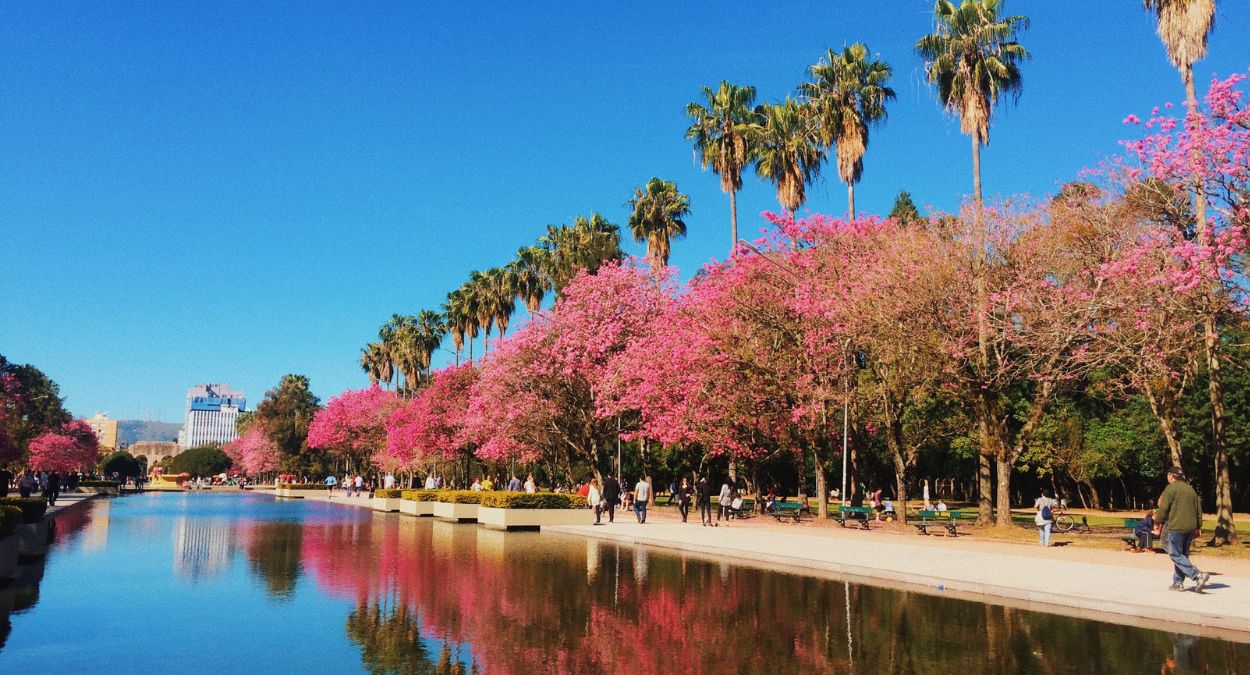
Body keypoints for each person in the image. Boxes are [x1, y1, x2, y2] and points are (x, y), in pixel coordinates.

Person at [1157, 467, 1211, 592]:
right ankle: (1178, 582)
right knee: (1182, 555)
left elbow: (1163, 507)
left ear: (1171, 476)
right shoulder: (1191, 489)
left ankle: (1198, 575)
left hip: (1176, 526)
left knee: (1175, 553)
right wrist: (1198, 527)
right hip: (1190, 528)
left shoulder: (1171, 488)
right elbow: (1198, 510)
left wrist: (1156, 522)